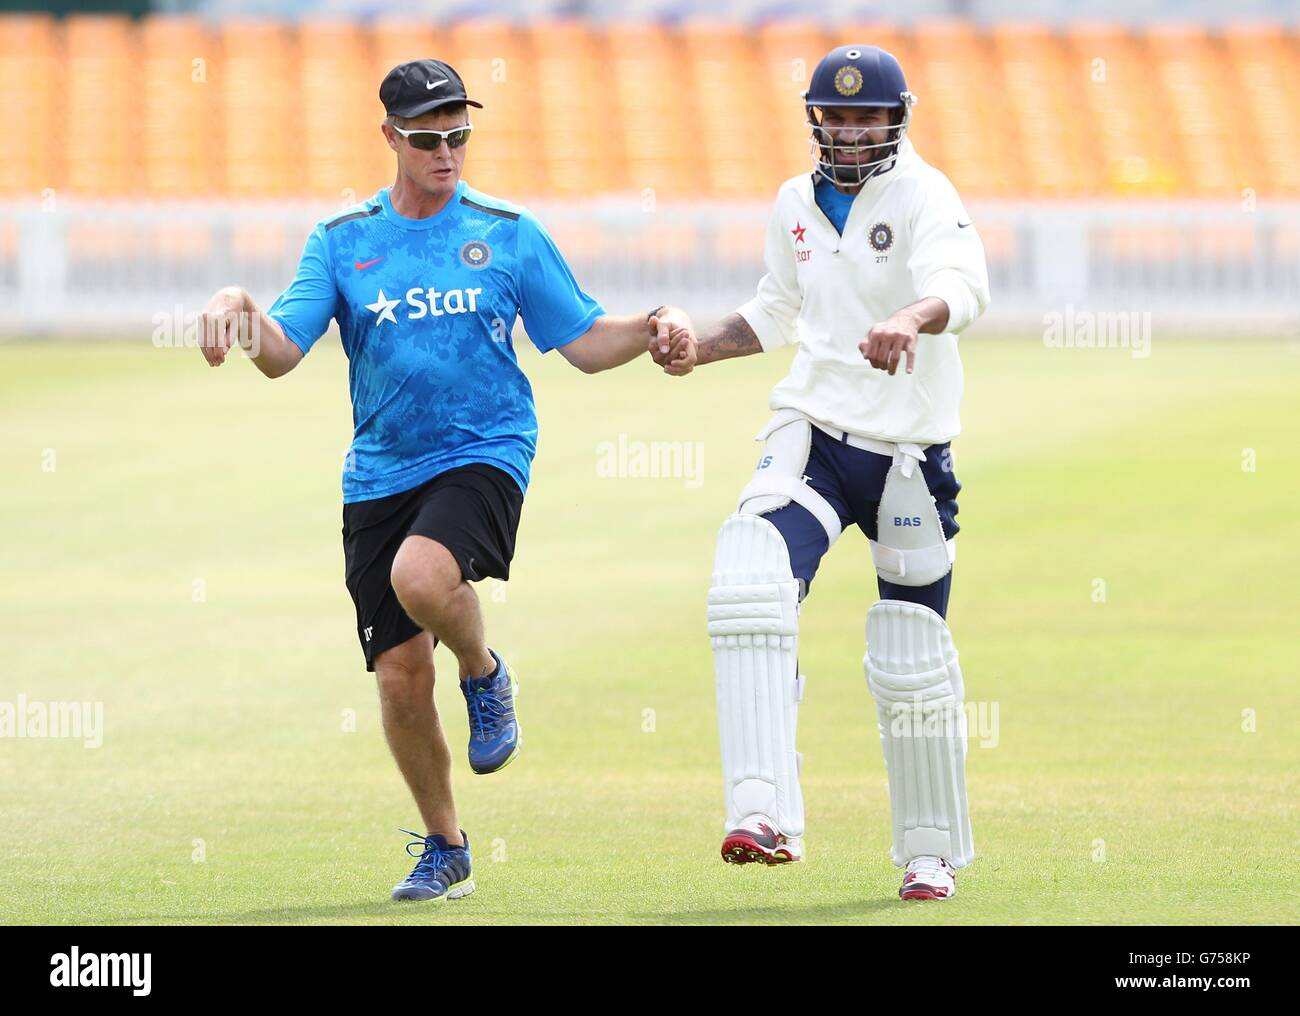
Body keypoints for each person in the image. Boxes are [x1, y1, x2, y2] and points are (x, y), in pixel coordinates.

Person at [197, 58, 693, 903]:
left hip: (485, 449)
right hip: (379, 471)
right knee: (397, 674)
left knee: (423, 576)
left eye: (460, 135)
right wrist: (241, 305)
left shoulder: (507, 232)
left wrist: (653, 328)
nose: (447, 151)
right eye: (428, 138)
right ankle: (447, 846)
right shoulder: (343, 241)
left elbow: (579, 339)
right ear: (390, 137)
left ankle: (483, 668)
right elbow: (283, 355)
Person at [653, 44, 990, 901]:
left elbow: (965, 285)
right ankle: (763, 810)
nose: (847, 130)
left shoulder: (924, 193)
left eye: (864, 116)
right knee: (750, 577)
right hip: (815, 432)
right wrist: (704, 348)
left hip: (909, 453)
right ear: (815, 120)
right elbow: (776, 307)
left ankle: (928, 850)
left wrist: (912, 316)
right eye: (833, 116)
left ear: (894, 119)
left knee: (912, 650)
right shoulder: (794, 201)